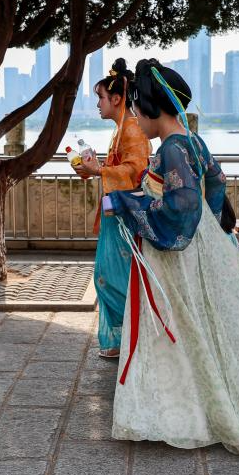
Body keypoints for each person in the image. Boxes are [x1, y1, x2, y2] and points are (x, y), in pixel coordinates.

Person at [104, 59, 239, 461]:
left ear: (151, 107)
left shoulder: (172, 148)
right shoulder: (193, 142)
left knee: (180, 328)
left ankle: (180, 414)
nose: (136, 118)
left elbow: (180, 206)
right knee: (198, 325)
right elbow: (215, 184)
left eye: (137, 109)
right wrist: (209, 229)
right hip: (196, 248)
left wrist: (127, 203)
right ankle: (197, 407)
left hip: (174, 258)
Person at [74, 58, 152, 358]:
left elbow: (136, 170)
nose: (98, 104)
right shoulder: (122, 128)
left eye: (101, 98)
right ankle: (127, 338)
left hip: (125, 213)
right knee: (110, 276)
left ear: (117, 98)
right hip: (116, 211)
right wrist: (95, 168)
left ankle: (136, 335)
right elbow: (118, 168)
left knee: (113, 277)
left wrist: (99, 171)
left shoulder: (132, 129)